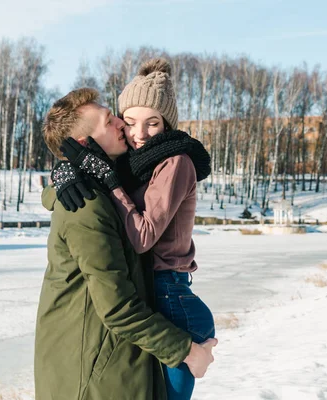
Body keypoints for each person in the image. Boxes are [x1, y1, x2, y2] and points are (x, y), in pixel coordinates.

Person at [35, 87, 217, 400]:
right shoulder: (86, 204)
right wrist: (187, 351)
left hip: (110, 363)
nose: (122, 124)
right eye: (111, 121)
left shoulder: (102, 186)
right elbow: (118, 308)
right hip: (92, 375)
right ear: (85, 144)